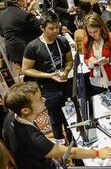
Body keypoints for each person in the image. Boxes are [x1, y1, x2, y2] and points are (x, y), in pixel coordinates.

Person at [3, 82, 111, 169]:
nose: (44, 99)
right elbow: (71, 152)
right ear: (25, 110)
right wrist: (97, 153)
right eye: (39, 99)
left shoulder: (11, 116)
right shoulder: (34, 140)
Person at [21, 11, 73, 140]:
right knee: (55, 119)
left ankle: (73, 140)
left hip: (66, 85)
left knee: (71, 117)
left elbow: (70, 61)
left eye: (57, 27)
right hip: (48, 90)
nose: (55, 31)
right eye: (51, 28)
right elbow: (26, 69)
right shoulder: (33, 47)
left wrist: (66, 70)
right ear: (42, 28)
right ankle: (60, 142)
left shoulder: (62, 41)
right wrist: (49, 75)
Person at [82, 13, 111, 100]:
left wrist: (108, 60)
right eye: (89, 32)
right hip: (96, 81)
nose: (92, 35)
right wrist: (90, 62)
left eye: (95, 31)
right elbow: (85, 58)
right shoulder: (86, 40)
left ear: (101, 28)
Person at [0, 0, 41, 67]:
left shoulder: (2, 15)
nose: (26, 0)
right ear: (18, 0)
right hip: (26, 51)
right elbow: (41, 27)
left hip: (12, 53)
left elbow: (2, 33)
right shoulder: (24, 15)